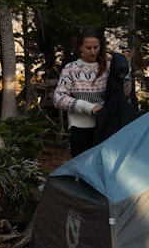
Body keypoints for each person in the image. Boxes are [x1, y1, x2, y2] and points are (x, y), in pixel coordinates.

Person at [53, 26, 133, 158]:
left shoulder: (108, 67)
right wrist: (89, 108)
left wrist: (125, 68)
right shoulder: (71, 68)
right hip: (80, 129)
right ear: (80, 47)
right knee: (82, 170)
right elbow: (59, 98)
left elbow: (125, 92)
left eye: (96, 47)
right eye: (88, 48)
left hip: (107, 127)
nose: (92, 52)